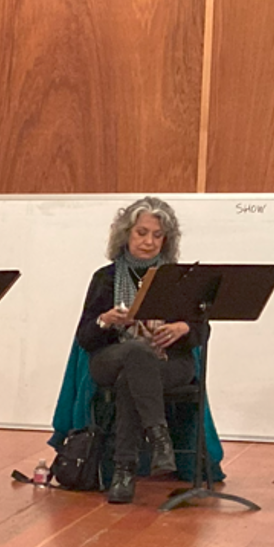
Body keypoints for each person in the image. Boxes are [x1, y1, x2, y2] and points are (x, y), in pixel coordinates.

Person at [72, 197, 207, 505]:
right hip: (111, 356)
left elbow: (202, 329)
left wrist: (183, 328)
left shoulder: (177, 277)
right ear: (126, 235)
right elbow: (85, 338)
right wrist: (105, 320)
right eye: (141, 233)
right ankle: (159, 438)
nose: (148, 241)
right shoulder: (105, 278)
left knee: (133, 375)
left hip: (168, 362)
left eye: (157, 235)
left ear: (166, 240)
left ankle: (124, 469)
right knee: (135, 353)